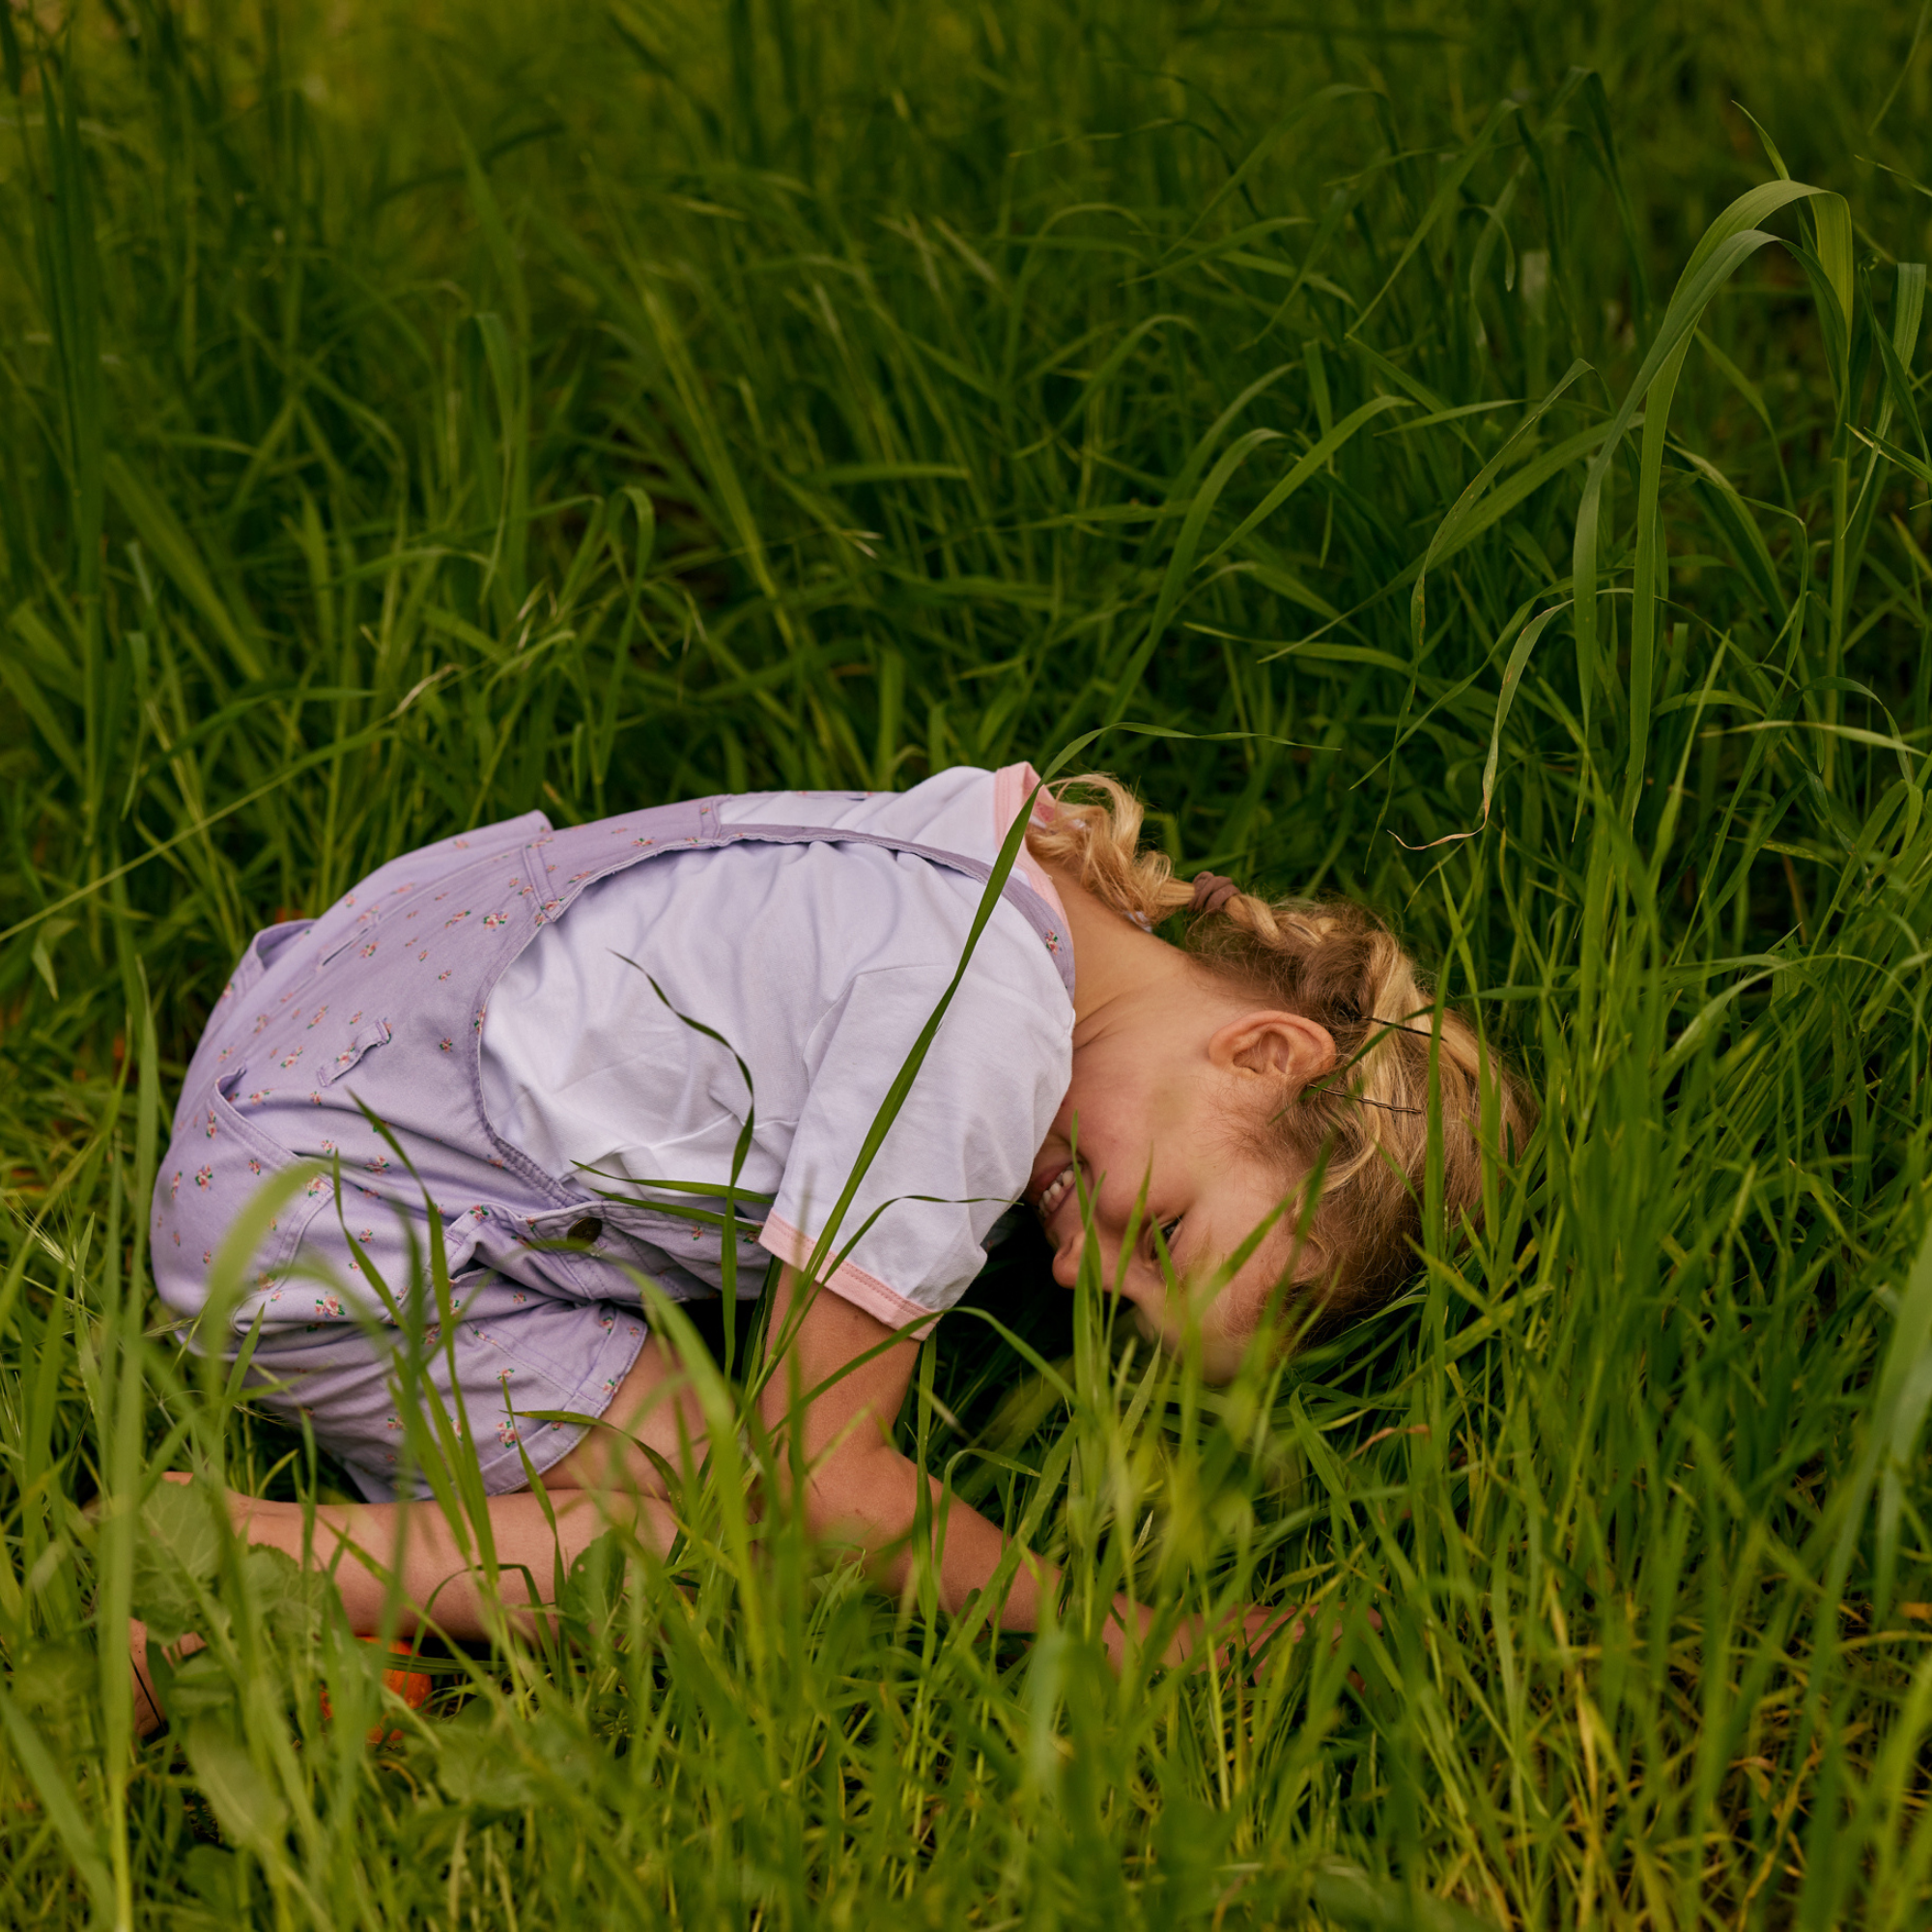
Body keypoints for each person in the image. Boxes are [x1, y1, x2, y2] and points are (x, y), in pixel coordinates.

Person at [131, 764, 1529, 1728]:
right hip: (330, 1219)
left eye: (1125, 1303)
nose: (1076, 1275)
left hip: (347, 1027)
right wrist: (1139, 1637)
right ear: (1265, 1049)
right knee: (706, 1559)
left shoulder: (1011, 864)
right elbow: (821, 1478)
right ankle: (224, 1559)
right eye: (1161, 1234)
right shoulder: (976, 1042)